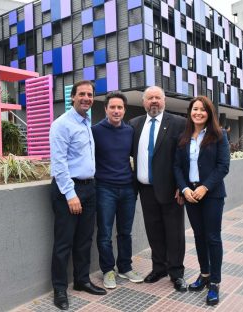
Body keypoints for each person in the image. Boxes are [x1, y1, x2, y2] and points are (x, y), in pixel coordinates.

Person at [49, 80, 106, 310]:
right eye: (81, 94)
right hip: (68, 190)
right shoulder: (62, 124)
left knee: (84, 240)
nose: (86, 98)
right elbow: (59, 163)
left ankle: (82, 280)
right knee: (64, 243)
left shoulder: (86, 123)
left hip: (89, 188)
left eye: (90, 94)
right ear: (72, 97)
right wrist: (71, 195)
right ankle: (60, 289)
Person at [129, 86, 188, 292]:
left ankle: (177, 273)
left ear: (164, 101)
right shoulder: (135, 124)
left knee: (175, 233)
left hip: (172, 191)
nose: (154, 101)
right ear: (144, 102)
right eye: (150, 98)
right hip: (146, 190)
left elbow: (184, 159)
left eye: (158, 98)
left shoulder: (179, 123)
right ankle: (159, 268)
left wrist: (182, 187)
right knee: (153, 232)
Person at [173, 96, 230, 306]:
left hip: (212, 194)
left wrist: (205, 187)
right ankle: (204, 274)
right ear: (190, 112)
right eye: (195, 109)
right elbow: (177, 167)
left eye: (203, 109)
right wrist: (185, 188)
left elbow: (223, 166)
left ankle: (215, 282)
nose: (198, 113)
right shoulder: (183, 137)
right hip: (190, 195)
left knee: (212, 237)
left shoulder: (219, 135)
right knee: (198, 236)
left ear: (209, 113)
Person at [92, 91, 144, 289]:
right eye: (112, 107)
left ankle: (125, 267)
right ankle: (108, 270)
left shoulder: (130, 131)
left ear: (124, 110)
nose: (116, 110)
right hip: (104, 188)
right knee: (104, 233)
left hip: (127, 189)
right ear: (105, 109)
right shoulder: (95, 131)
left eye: (119, 107)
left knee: (125, 232)